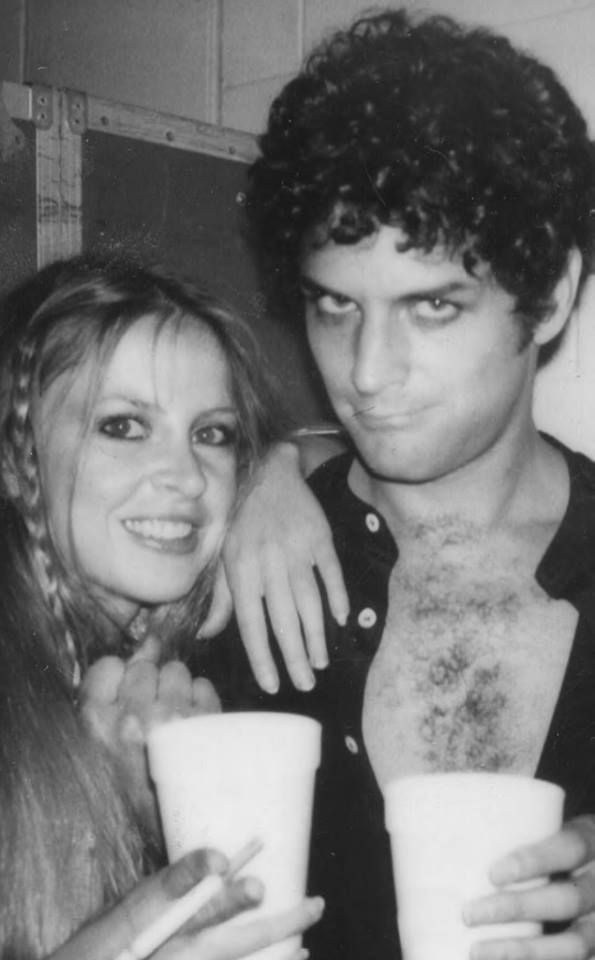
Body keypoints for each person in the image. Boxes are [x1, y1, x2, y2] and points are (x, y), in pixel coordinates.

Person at [201, 8, 595, 960]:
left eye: (431, 307)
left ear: (546, 299)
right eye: (335, 306)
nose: (367, 373)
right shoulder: (224, 557)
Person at [0, 256, 322, 959]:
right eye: (122, 426)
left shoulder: (203, 648)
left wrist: (276, 466)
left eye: (212, 434)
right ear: (15, 451)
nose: (185, 477)